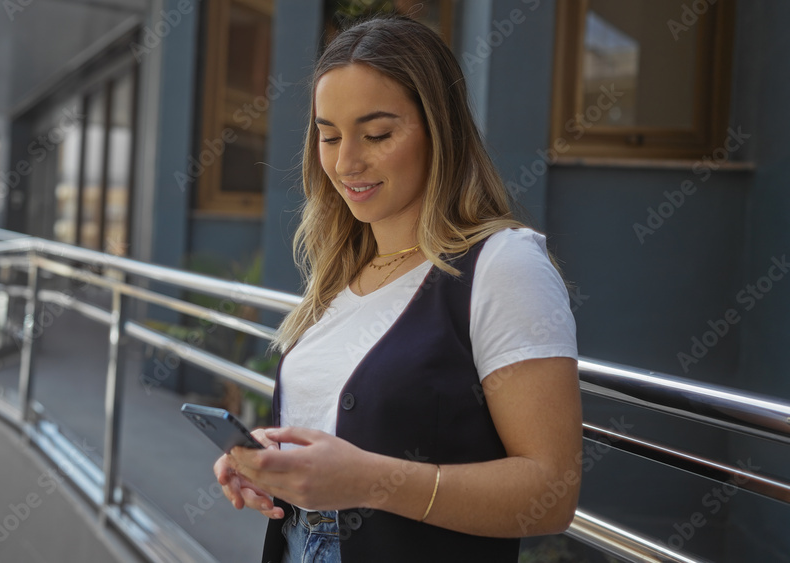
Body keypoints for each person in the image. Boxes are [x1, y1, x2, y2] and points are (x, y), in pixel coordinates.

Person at [213, 14, 582, 563]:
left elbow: (550, 495)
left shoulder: (502, 264)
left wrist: (368, 482)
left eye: (378, 134)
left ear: (440, 130)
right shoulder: (341, 271)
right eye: (329, 135)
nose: (345, 162)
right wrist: (269, 465)